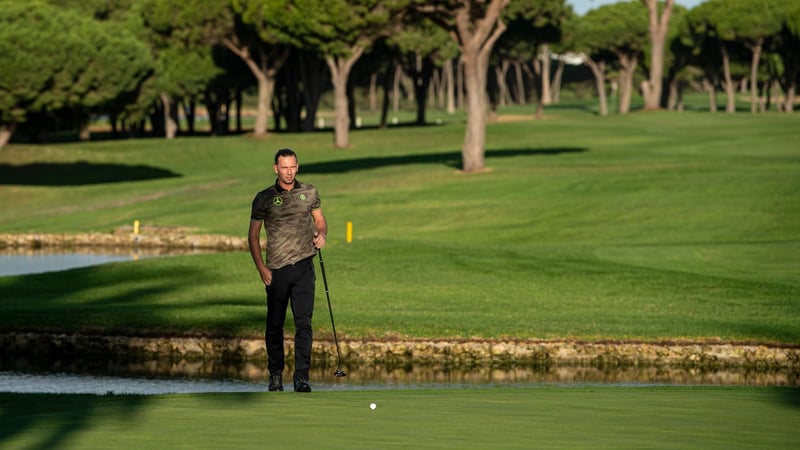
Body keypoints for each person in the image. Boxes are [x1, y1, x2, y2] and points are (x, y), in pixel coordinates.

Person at [248, 148, 327, 393]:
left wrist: (321, 233)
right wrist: (261, 268)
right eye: (284, 167)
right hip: (277, 270)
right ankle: (275, 375)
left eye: (293, 166)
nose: (289, 171)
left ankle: (301, 377)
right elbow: (252, 236)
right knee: (275, 324)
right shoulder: (264, 198)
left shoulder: (309, 192)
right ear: (276, 169)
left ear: (297, 166)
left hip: (304, 266)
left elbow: (320, 220)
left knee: (304, 324)